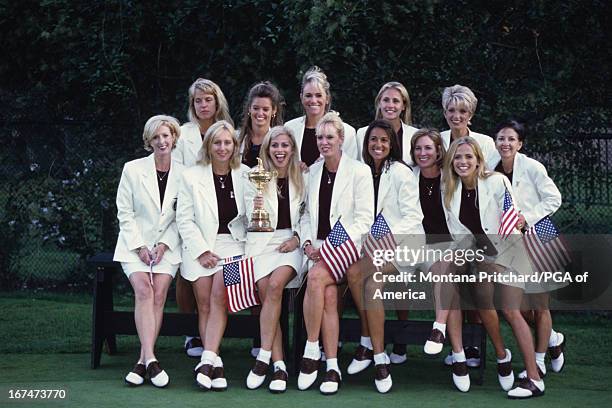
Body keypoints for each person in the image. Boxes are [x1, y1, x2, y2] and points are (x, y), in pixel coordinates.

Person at [443, 136, 545, 399]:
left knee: (512, 311)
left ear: (479, 160)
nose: (463, 162)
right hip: (479, 258)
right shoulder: (449, 190)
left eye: (468, 156)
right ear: (451, 161)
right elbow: (458, 235)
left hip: (509, 254)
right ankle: (502, 356)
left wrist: (497, 261)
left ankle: (534, 379)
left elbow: (512, 224)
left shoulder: (497, 181)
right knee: (483, 303)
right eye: (457, 157)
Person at [297, 112, 374, 395]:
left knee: (317, 280)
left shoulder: (359, 171)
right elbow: (304, 215)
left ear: (342, 139)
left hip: (347, 248)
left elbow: (365, 219)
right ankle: (332, 366)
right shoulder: (312, 172)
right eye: (319, 137)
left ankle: (310, 350)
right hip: (315, 248)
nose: (324, 142)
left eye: (330, 137)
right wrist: (307, 243)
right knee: (328, 294)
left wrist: (332, 244)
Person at [344, 120, 423, 393]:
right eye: (373, 140)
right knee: (353, 273)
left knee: (372, 284)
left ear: (392, 145)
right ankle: (367, 338)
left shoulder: (401, 172)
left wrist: (385, 239)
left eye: (384, 141)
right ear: (366, 144)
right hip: (371, 246)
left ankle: (379, 359)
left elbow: (414, 217)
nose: (378, 145)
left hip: (403, 245)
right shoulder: (362, 171)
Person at [176, 120, 249, 391]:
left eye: (227, 142)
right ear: (208, 146)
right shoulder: (191, 176)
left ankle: (206, 360)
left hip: (235, 247)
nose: (222, 147)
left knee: (219, 295)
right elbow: (184, 220)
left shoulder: (248, 174)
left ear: (235, 146)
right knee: (204, 301)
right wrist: (202, 251)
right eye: (217, 142)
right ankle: (214, 362)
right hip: (200, 246)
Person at [114, 115, 184, 388]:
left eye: (166, 135)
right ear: (149, 141)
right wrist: (140, 247)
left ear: (174, 138)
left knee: (158, 294)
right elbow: (125, 212)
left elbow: (183, 216)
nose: (162, 141)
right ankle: (152, 359)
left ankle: (143, 361)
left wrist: (164, 245)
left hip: (169, 247)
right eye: (156, 137)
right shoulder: (132, 169)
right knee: (144, 290)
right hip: (134, 246)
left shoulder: (185, 172)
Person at [492, 119, 566, 377]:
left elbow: (554, 198)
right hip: (511, 244)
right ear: (495, 141)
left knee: (540, 305)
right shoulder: (491, 170)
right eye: (501, 138)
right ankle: (554, 340)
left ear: (520, 144)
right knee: (520, 308)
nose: (506, 143)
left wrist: (528, 217)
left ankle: (539, 360)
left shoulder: (533, 167)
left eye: (511, 139)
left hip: (540, 237)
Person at [406, 128, 472, 392]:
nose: (423, 153)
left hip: (457, 245)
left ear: (438, 151)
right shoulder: (408, 177)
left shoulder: (452, 176)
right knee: (447, 280)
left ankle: (440, 330)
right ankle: (458, 355)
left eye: (428, 148)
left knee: (446, 270)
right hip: (422, 248)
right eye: (418, 149)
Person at [244, 126, 307, 393]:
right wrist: (254, 208)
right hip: (261, 243)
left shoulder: (304, 176)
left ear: (292, 148)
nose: (279, 151)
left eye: (284, 145)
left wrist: (297, 238)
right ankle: (279, 365)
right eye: (274, 146)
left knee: (274, 286)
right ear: (267, 149)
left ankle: (263, 356)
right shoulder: (253, 176)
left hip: (291, 243)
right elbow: (248, 217)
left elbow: (309, 215)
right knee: (265, 291)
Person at [174, 78, 233, 358]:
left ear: (217, 101)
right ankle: (191, 334)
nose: (203, 104)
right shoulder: (183, 133)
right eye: (198, 100)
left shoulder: (229, 132)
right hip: (188, 208)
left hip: (221, 218)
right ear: (192, 104)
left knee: (217, 291)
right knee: (188, 277)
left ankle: (214, 343)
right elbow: (177, 172)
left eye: (208, 99)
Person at [285, 66, 358, 166]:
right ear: (301, 98)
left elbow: (351, 168)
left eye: (318, 95)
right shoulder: (289, 128)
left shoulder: (347, 132)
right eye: (308, 95)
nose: (313, 100)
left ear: (327, 98)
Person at [355, 82, 419, 163]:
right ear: (379, 103)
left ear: (403, 106)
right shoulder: (362, 133)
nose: (390, 105)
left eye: (395, 101)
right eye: (386, 100)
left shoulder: (415, 135)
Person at [440, 85, 499, 168]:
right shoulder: (438, 140)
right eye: (451, 110)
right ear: (445, 113)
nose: (456, 116)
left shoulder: (485, 143)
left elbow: (491, 173)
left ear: (470, 115)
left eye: (462, 111)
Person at [239, 81, 284, 168]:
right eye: (256, 108)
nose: (260, 113)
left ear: (274, 110)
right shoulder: (236, 140)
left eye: (265, 109)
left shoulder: (281, 142)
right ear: (249, 108)